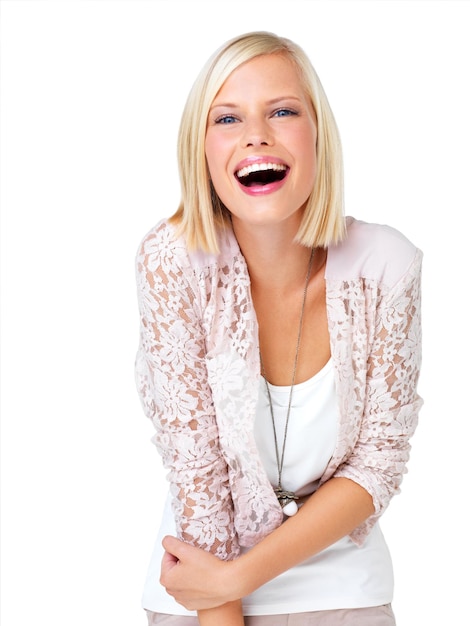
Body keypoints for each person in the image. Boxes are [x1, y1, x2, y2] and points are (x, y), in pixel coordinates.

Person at [134, 31, 423, 626]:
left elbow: (377, 463)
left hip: (344, 594)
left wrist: (242, 572)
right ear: (201, 149)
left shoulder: (387, 266)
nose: (256, 135)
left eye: (283, 111)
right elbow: (198, 472)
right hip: (199, 590)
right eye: (227, 118)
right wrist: (222, 598)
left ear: (318, 133)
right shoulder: (174, 261)